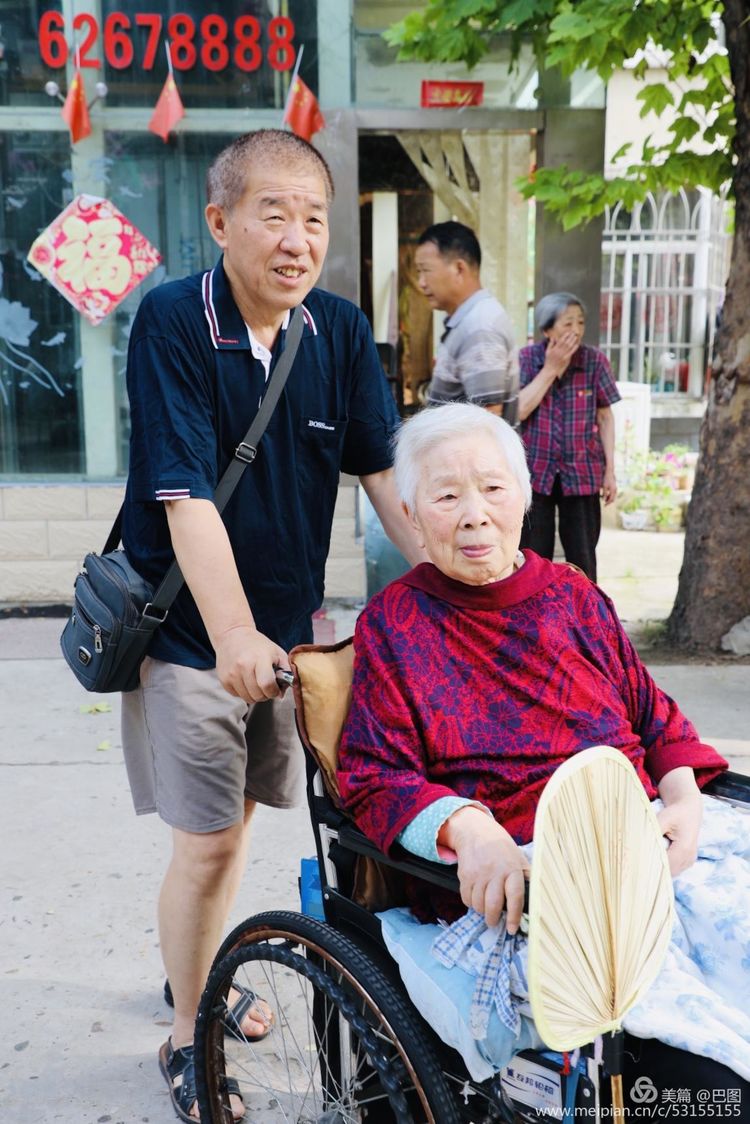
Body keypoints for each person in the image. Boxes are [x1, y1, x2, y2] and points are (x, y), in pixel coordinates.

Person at [120, 129, 420, 1123]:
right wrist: (237, 633)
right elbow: (184, 496)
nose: (297, 239)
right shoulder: (172, 321)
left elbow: (383, 476)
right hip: (195, 639)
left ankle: (194, 969)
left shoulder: (336, 328)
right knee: (205, 849)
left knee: (238, 829)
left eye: (314, 219)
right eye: (273, 213)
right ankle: (184, 1033)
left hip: (287, 646)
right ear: (221, 222)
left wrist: (451, 597)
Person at [337, 403, 750, 1099]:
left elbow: (655, 718)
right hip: (533, 872)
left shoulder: (573, 596)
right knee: (698, 1062)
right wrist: (471, 830)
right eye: (446, 495)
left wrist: (681, 796)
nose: (474, 514)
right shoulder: (394, 624)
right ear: (409, 512)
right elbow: (375, 775)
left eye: (493, 488)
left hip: (648, 837)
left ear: (526, 496)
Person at [518, 292, 619, 581]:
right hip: (535, 471)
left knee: (583, 555)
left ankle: (586, 620)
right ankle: (534, 620)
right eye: (566, 323)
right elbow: (519, 411)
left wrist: (610, 471)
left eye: (580, 323)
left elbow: (605, 416)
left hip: (583, 471)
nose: (575, 330)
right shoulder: (526, 359)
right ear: (547, 329)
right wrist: (551, 369)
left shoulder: (594, 361)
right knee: (532, 557)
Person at [415, 221, 519, 422]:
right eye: (419, 272)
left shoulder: (479, 328)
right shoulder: (471, 319)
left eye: (426, 270)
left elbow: (488, 423)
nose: (421, 282)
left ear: (459, 269)